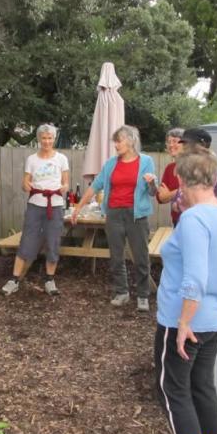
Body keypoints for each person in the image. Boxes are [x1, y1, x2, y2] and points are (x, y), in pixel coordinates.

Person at [153, 146, 217, 434]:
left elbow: (195, 278)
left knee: (173, 389)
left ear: (184, 180)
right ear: (213, 178)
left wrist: (184, 323)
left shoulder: (193, 219)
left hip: (186, 321)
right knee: (202, 384)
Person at [71, 125, 156, 312]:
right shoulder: (110, 164)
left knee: (141, 256)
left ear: (131, 141)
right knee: (116, 256)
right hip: (114, 214)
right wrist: (78, 207)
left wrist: (152, 183)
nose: (116, 145)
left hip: (137, 215)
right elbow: (95, 186)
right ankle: (122, 292)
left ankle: (143, 295)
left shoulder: (146, 161)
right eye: (115, 141)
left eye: (119, 141)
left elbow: (152, 192)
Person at [1, 124, 69, 296]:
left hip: (55, 205)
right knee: (27, 239)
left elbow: (66, 182)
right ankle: (14, 279)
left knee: (53, 242)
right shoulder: (32, 159)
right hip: (35, 204)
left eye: (50, 138)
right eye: (44, 138)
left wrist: (64, 188)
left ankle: (49, 280)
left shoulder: (61, 159)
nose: (47, 141)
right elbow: (25, 183)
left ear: (54, 139)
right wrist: (26, 185)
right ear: (39, 139)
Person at [154, 128, 184, 226]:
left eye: (175, 141)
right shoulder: (170, 168)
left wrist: (170, 194)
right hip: (176, 220)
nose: (171, 145)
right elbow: (160, 198)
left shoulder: (194, 166)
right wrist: (178, 192)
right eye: (168, 142)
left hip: (193, 220)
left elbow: (193, 192)